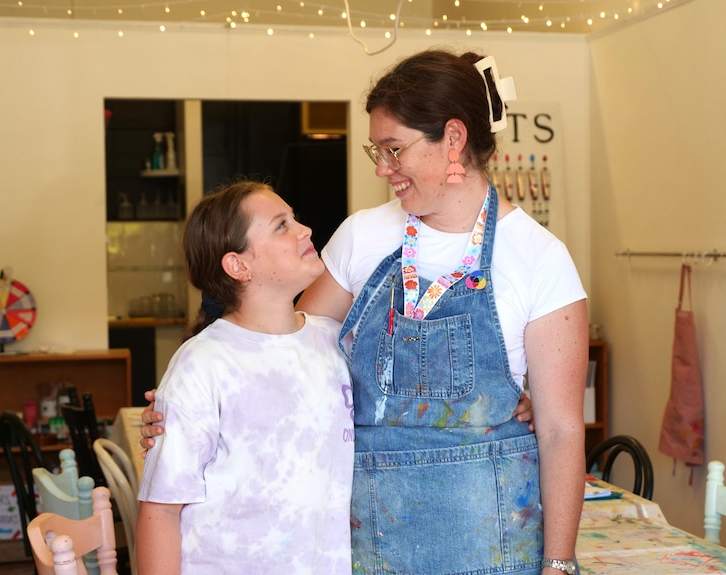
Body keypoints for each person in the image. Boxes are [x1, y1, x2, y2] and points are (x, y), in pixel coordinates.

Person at [142, 49, 587, 575]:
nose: (382, 168)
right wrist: (186, 416)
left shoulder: (539, 258)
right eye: (376, 150)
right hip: (365, 549)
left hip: (494, 546)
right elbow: (284, 356)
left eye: (394, 149)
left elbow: (561, 431)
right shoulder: (362, 236)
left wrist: (558, 563)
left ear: (453, 138)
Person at [135, 181, 354, 575]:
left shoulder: (335, 341)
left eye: (294, 219)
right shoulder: (203, 363)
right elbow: (160, 511)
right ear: (238, 266)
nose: (305, 230)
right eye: (281, 225)